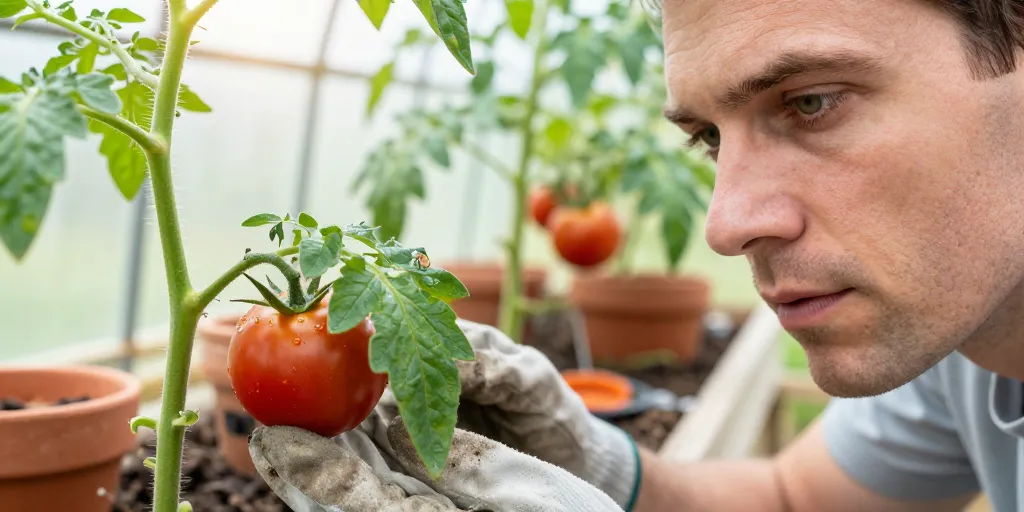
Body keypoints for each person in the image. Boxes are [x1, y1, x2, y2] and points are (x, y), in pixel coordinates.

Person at [247, 1, 1024, 510]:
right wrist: (598, 465)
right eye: (709, 138)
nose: (725, 224)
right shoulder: (965, 351)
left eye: (812, 102)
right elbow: (797, 498)